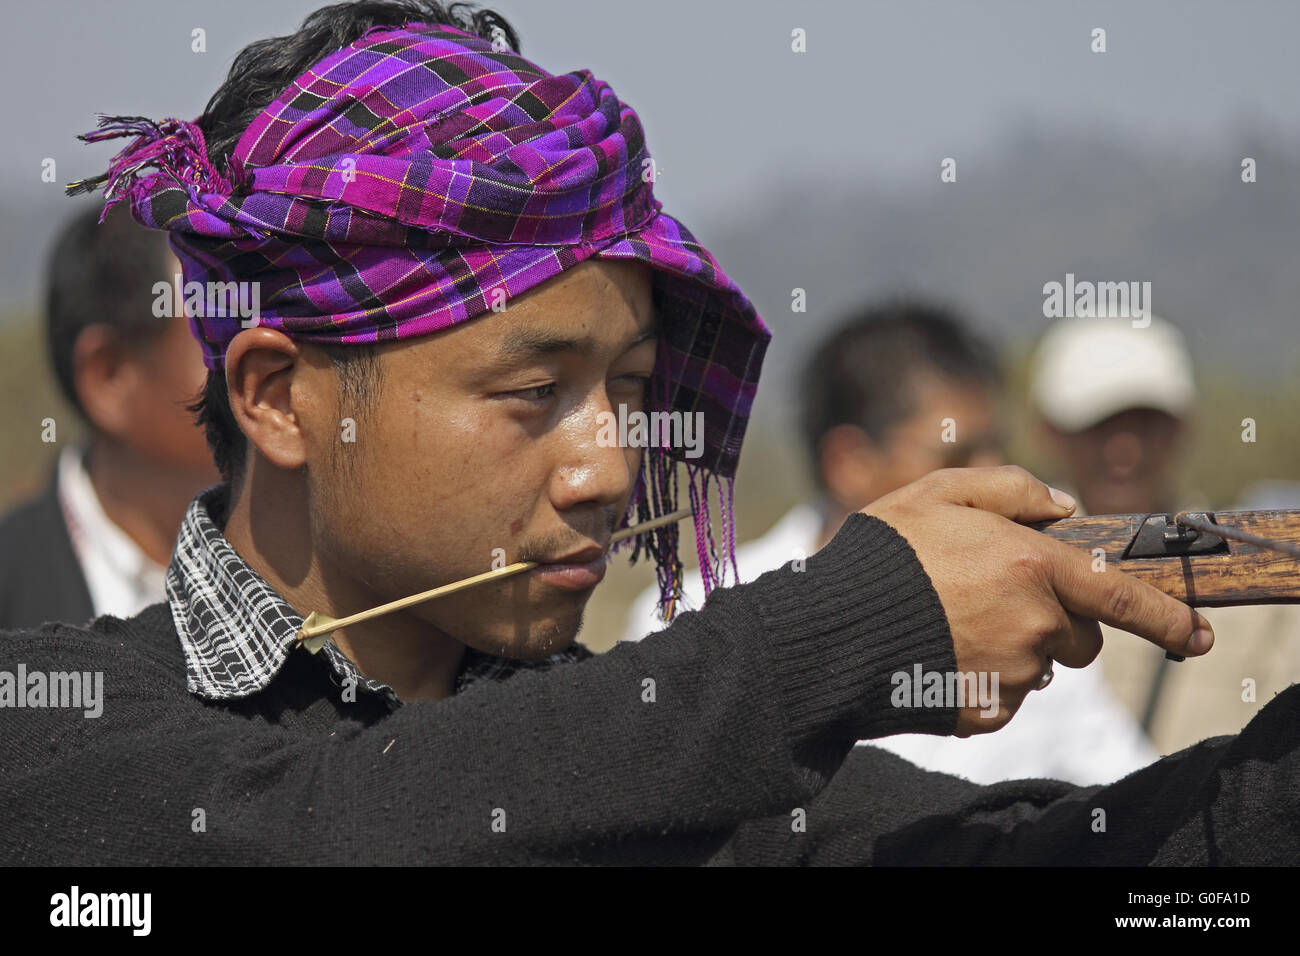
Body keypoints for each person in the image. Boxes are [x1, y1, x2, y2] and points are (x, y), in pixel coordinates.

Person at [4, 0, 1298, 867]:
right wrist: (858, 623)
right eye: (531, 393)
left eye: (629, 390)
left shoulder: (655, 771)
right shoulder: (60, 728)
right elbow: (340, 826)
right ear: (282, 397)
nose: (611, 468)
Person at [620, 302, 1159, 785]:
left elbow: (1123, 788)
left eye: (998, 449)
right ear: (849, 463)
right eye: (954, 457)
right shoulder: (688, 617)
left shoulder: (1028, 613)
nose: (996, 479)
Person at [1031, 313, 1300, 755]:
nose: (1125, 450)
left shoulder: (1258, 571)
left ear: (1181, 428)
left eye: (1145, 424)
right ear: (1051, 432)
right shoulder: (1015, 566)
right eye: (1100, 426)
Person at [0, 204, 217, 630]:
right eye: (218, 329)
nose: (264, 360)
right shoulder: (12, 607)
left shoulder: (323, 583)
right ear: (109, 376)